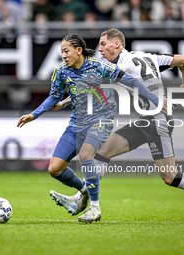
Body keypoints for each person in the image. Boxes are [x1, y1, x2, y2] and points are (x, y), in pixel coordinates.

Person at [51, 28, 184, 223]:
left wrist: (63, 103)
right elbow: (183, 60)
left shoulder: (121, 63)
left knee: (170, 176)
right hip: (145, 120)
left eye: (103, 43)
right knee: (102, 153)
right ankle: (81, 199)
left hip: (158, 120)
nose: (99, 48)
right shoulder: (147, 57)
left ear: (117, 44)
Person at [17, 33, 160, 223]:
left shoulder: (100, 67)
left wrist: (157, 101)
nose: (64, 55)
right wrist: (33, 114)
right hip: (77, 123)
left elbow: (131, 82)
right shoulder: (61, 72)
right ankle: (84, 190)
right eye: (61, 52)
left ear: (78, 50)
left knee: (86, 155)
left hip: (102, 120)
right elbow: (54, 97)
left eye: (66, 51)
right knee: (55, 168)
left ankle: (95, 208)